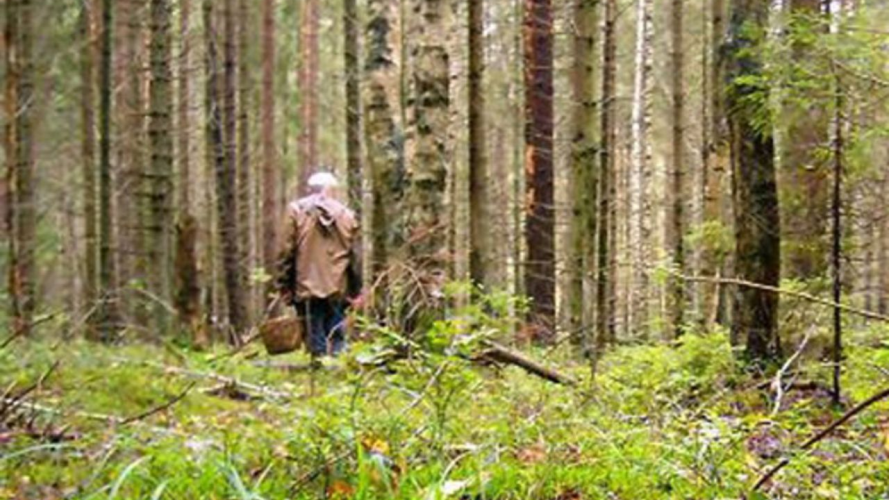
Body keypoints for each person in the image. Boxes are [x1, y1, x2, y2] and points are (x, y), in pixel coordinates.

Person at [276, 171, 362, 358]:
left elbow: (286, 251)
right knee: (336, 334)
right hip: (338, 286)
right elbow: (355, 256)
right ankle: (338, 373)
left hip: (305, 284)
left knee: (314, 335)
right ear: (332, 190)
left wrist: (283, 284)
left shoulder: (296, 211)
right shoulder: (347, 215)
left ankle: (319, 373)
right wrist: (356, 290)